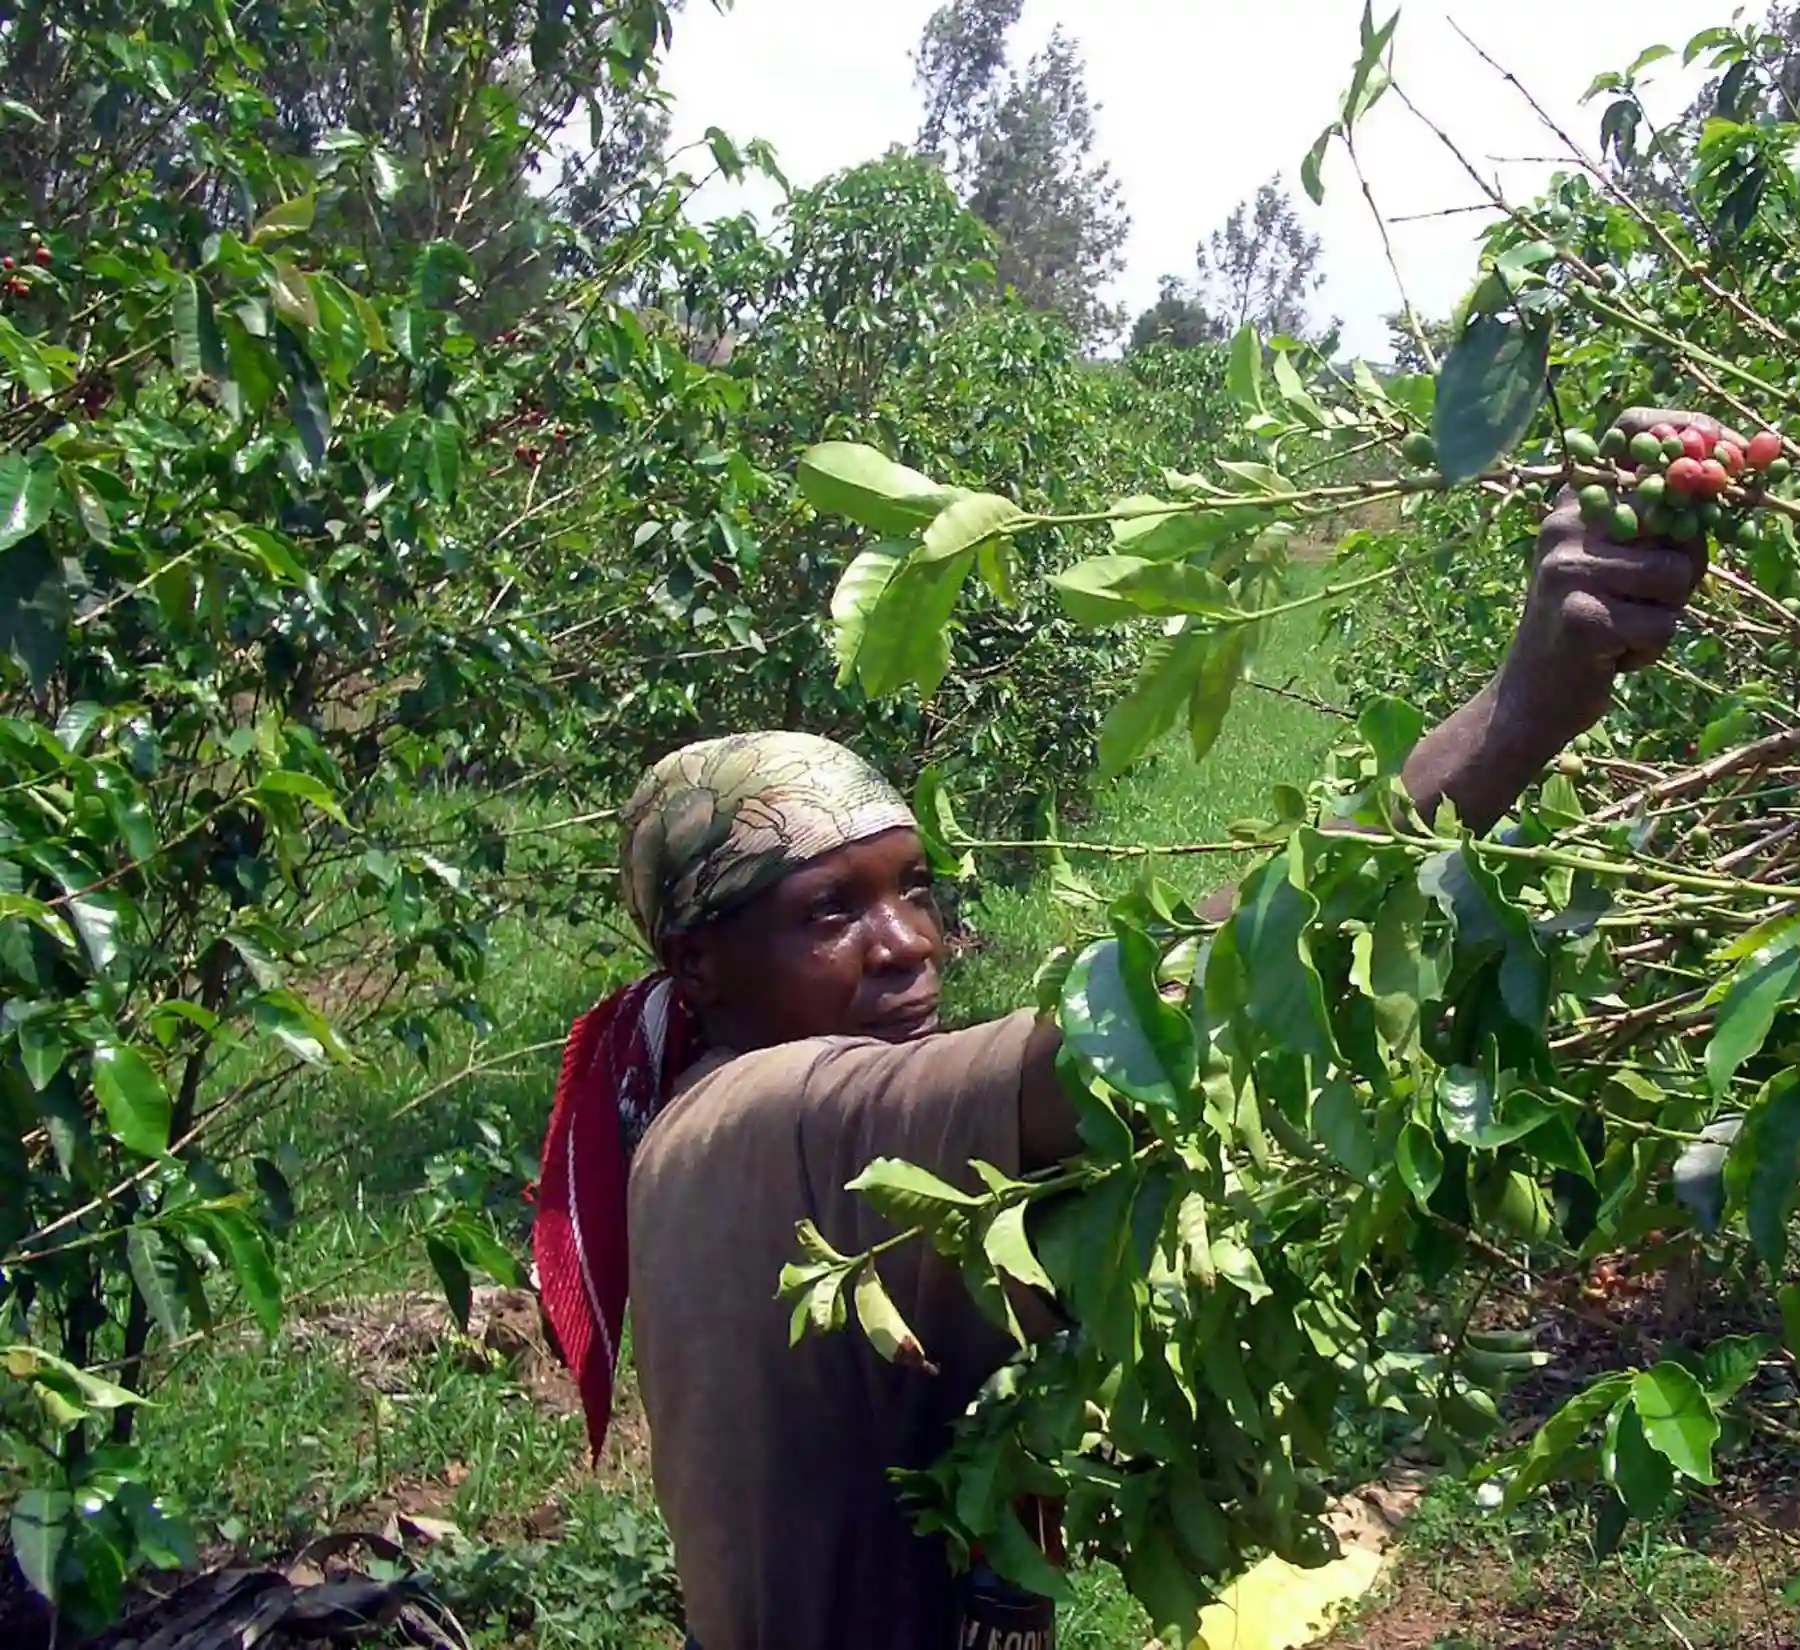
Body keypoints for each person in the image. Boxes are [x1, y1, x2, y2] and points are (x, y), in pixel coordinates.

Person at [531, 408, 1731, 1650]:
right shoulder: (783, 1114)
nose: (908, 944)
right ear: (702, 967)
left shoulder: (722, 1103)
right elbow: (1140, 1012)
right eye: (828, 914)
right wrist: (1518, 717)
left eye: (913, 890)